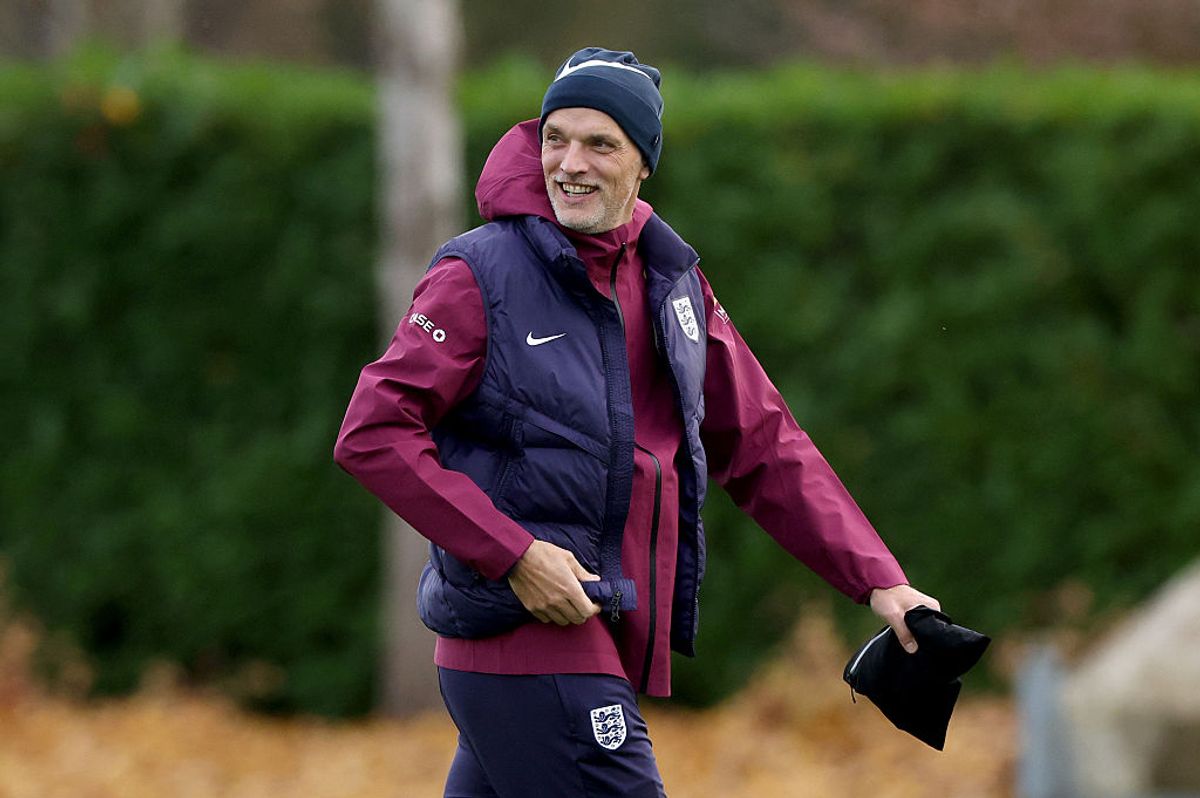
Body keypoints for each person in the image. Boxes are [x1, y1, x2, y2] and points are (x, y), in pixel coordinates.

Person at [335, 46, 940, 798]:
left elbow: (763, 443)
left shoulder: (673, 284)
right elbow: (373, 432)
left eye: (600, 143)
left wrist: (881, 581)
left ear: (643, 162)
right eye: (555, 137)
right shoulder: (477, 273)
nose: (570, 163)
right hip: (527, 644)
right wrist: (516, 554)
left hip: (586, 646)